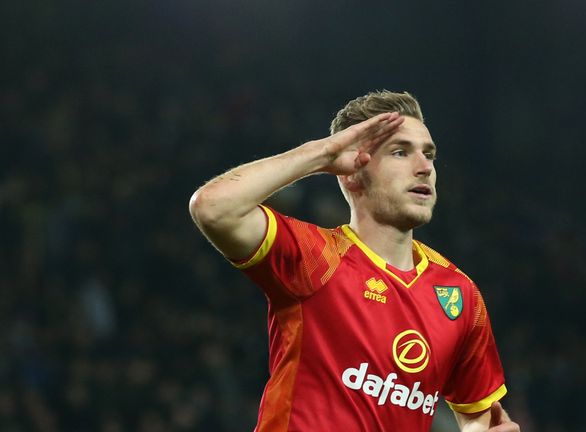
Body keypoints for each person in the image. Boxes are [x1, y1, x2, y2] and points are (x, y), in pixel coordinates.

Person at [189, 91, 519, 432]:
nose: (424, 168)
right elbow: (213, 208)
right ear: (350, 172)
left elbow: (478, 416)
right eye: (400, 152)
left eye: (429, 155)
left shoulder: (459, 294)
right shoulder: (315, 258)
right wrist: (322, 153)